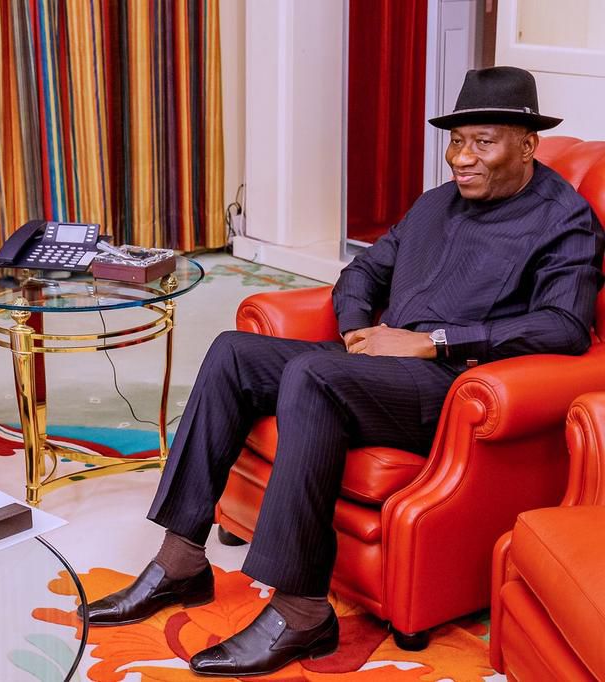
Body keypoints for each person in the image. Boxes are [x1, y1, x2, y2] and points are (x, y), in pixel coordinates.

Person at [80, 66, 604, 676]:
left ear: (527, 144)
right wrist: (356, 327)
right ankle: (180, 561)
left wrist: (433, 342)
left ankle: (302, 613)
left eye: (482, 142)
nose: (463, 157)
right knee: (231, 352)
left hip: (451, 384)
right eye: (456, 141)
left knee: (312, 377)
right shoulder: (436, 204)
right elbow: (363, 273)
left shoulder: (563, 220)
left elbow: (565, 327)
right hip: (376, 363)